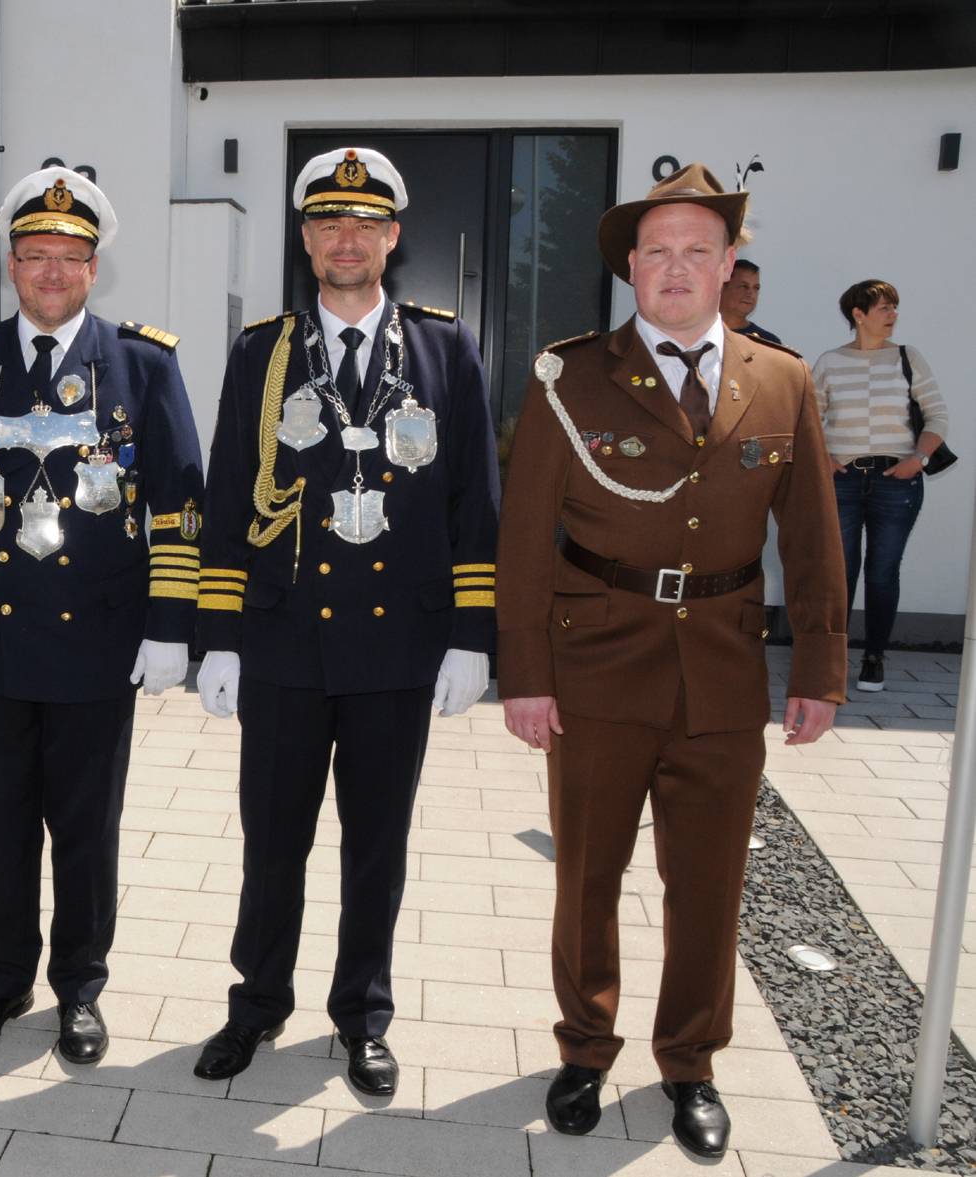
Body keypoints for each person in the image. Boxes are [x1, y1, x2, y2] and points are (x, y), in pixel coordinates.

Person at [497, 163, 846, 1159]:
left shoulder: (781, 380)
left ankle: (689, 1061)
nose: (678, 267)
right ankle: (583, 1046)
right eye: (658, 250)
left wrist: (819, 669)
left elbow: (812, 537)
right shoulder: (569, 376)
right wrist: (525, 675)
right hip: (596, 663)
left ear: (730, 265)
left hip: (723, 670)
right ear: (631, 268)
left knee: (708, 881)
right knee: (587, 874)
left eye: (699, 249)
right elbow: (523, 537)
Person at [191, 148, 499, 1094]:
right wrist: (220, 635)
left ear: (393, 236)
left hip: (399, 646)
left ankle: (363, 1014)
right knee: (272, 842)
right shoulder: (263, 351)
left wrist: (472, 636)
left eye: (365, 224)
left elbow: (475, 500)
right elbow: (229, 495)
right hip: (285, 642)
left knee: (377, 847)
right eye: (329, 223)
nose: (347, 239)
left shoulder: (444, 349)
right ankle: (257, 1003)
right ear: (307, 238)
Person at [0, 166, 204, 1064]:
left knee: (84, 829)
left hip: (98, 638)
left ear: (95, 267)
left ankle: (79, 987)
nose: (53, 271)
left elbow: (182, 500)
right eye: (36, 254)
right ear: (11, 264)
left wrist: (170, 624)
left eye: (71, 256)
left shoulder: (141, 362)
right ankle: (0, 983)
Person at [814, 279, 949, 692]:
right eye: (884, 308)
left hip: (896, 481)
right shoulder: (830, 362)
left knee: (883, 572)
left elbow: (937, 416)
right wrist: (825, 459)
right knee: (840, 572)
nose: (893, 315)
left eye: (894, 307)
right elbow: (808, 420)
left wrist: (918, 459)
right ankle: (832, 660)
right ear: (859, 314)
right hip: (842, 481)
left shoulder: (908, 357)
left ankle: (873, 658)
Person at [719, 259, 781, 344]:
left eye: (756, 288)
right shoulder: (702, 332)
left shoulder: (768, 342)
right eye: (744, 286)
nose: (750, 294)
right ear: (722, 287)